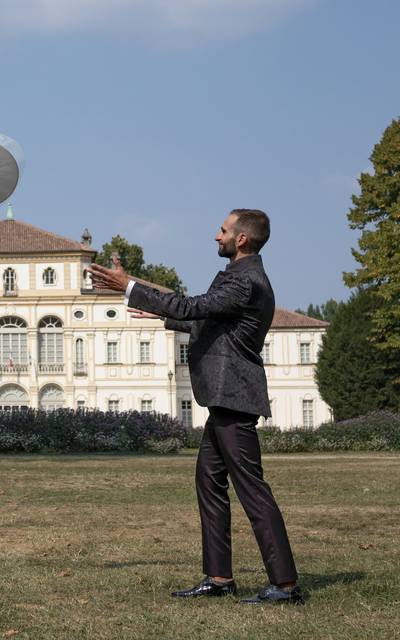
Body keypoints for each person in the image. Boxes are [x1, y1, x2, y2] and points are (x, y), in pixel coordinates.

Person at [87, 209, 302, 605]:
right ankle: (219, 578)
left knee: (252, 491)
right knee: (209, 482)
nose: (215, 236)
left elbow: (194, 308)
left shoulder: (245, 280)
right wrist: (157, 309)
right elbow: (210, 322)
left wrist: (130, 287)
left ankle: (285, 585)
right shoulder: (242, 278)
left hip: (232, 398)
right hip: (224, 399)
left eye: (222, 230)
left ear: (241, 239)